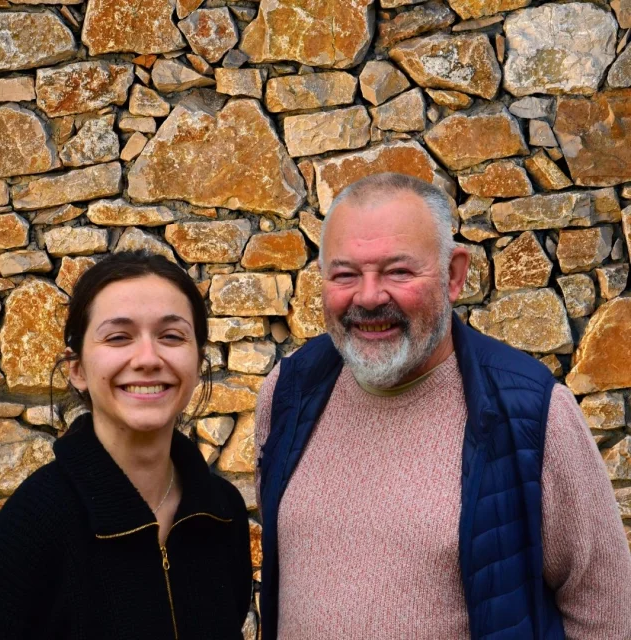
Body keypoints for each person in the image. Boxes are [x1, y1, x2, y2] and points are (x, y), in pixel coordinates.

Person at [255, 173, 631, 640]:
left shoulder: (534, 414)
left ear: (454, 275)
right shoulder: (285, 395)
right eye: (345, 274)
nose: (368, 297)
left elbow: (607, 614)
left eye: (398, 271)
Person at [0, 250, 252, 639]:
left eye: (171, 336)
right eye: (118, 337)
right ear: (77, 369)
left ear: (197, 364)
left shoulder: (222, 512)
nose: (148, 358)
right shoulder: (32, 525)